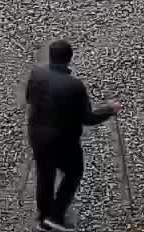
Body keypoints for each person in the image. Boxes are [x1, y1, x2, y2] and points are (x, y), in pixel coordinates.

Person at [23, 39, 119, 232]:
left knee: (45, 174)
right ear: (69, 59)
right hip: (63, 140)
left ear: (50, 56)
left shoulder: (36, 74)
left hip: (37, 135)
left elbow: (28, 98)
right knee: (74, 172)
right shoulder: (75, 86)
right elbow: (88, 118)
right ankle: (56, 216)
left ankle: (44, 219)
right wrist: (110, 109)